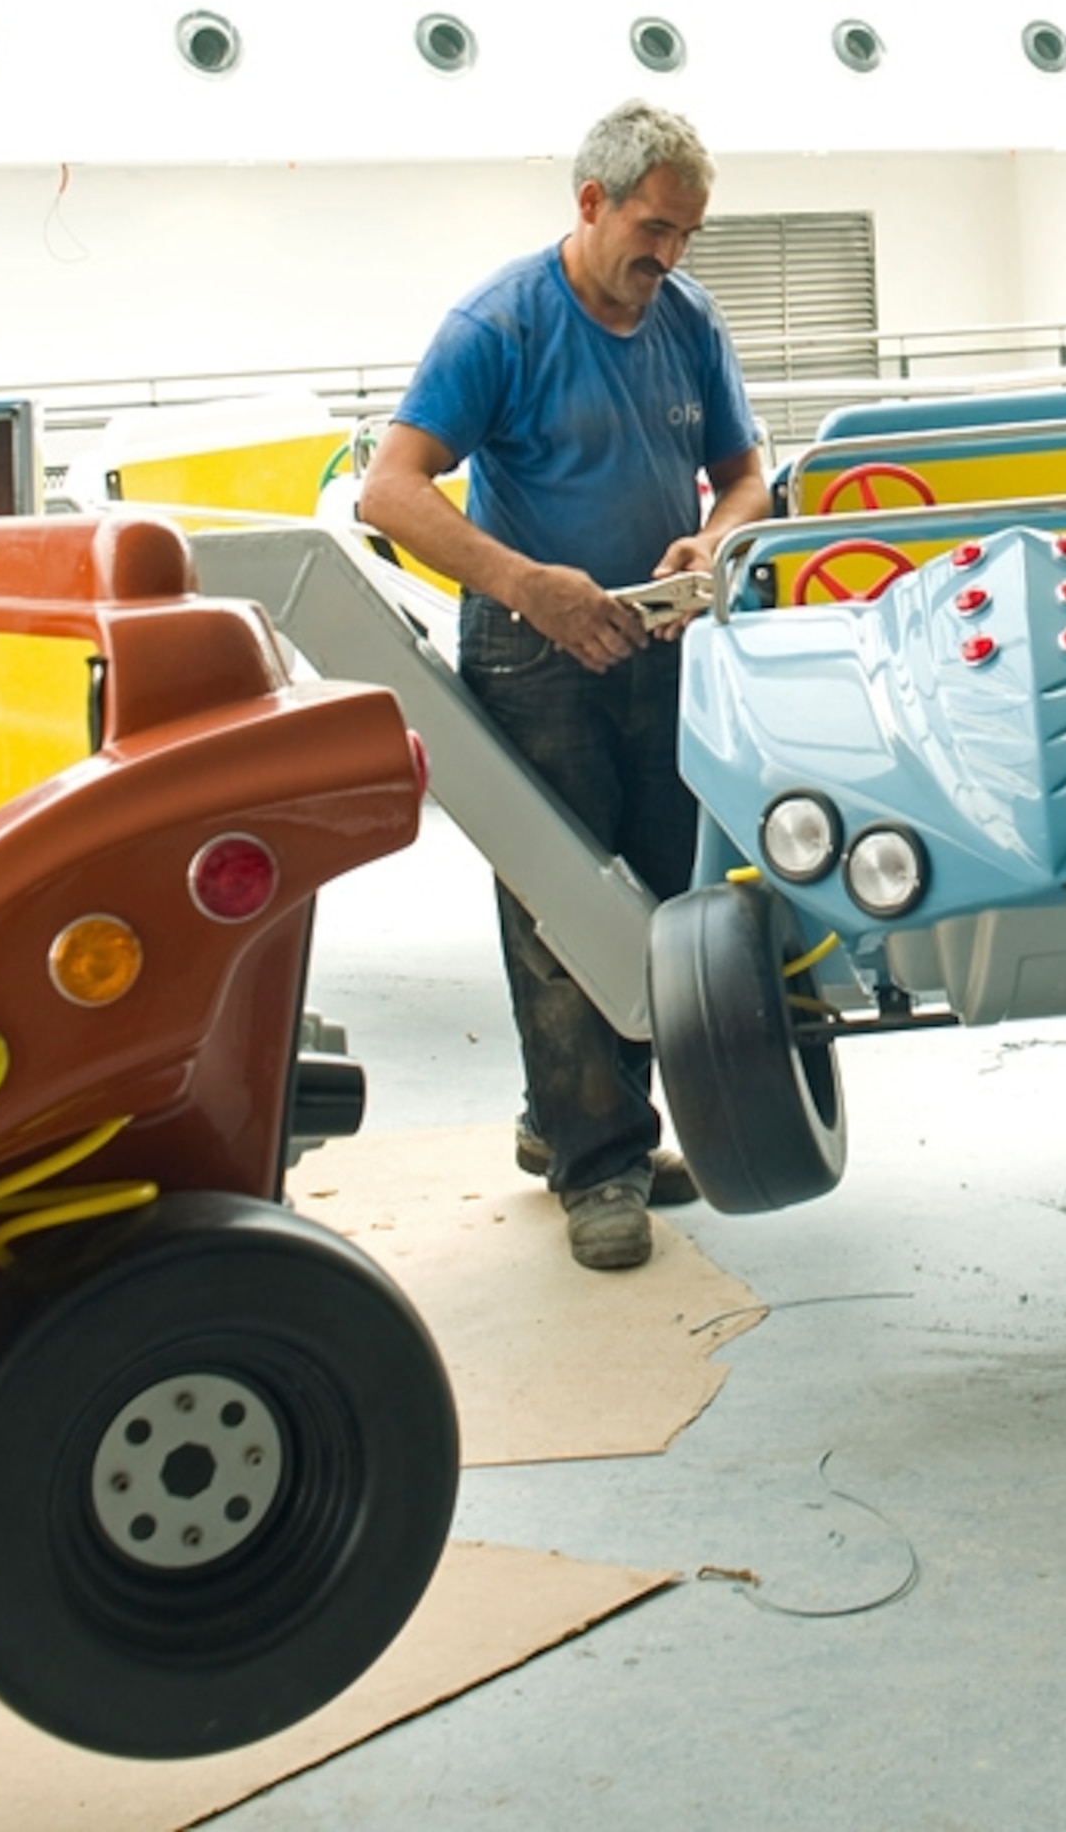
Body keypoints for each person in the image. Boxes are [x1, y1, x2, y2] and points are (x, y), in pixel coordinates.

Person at [360, 100, 770, 1273]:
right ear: (589, 204)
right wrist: (529, 585)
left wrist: (717, 538)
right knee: (560, 904)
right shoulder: (499, 325)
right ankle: (600, 1169)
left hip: (657, 640)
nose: (669, 256)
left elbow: (744, 472)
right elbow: (390, 491)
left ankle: (591, 1128)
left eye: (687, 235)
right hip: (535, 651)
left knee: (651, 895)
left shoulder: (687, 319)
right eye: (653, 229)